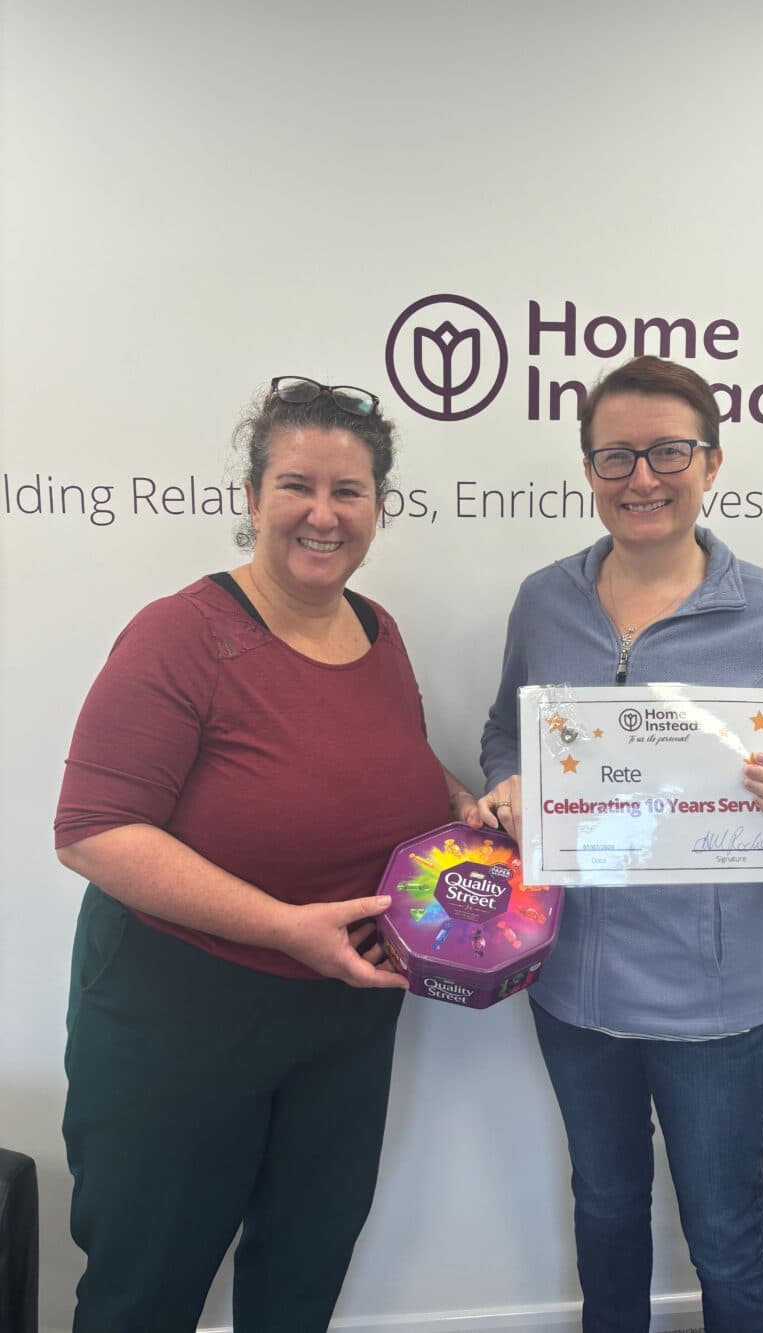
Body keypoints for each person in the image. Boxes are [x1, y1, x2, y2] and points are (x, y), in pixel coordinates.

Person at [54, 376, 479, 1333]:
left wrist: (468, 803)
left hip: (344, 1016)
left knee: (304, 1269)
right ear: (251, 499)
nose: (323, 514)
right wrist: (287, 929)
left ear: (379, 507)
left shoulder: (378, 631)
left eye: (349, 491)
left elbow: (395, 769)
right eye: (298, 486)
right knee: (144, 1285)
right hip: (182, 1014)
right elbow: (94, 828)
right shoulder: (182, 634)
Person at [477, 356, 763, 1333]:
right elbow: (502, 738)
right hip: (569, 986)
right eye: (615, 456)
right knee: (603, 1208)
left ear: (712, 462)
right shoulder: (543, 600)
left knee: (727, 1230)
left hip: (718, 1003)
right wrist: (507, 790)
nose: (640, 477)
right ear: (589, 469)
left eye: (666, 451)